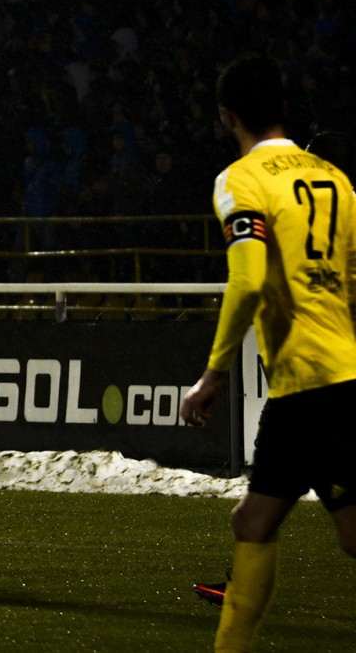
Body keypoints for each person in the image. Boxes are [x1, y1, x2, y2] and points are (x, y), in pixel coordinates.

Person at [180, 55, 356, 652]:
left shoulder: (240, 180)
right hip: (343, 376)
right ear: (284, 106)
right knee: (328, 531)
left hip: (304, 383)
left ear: (227, 117)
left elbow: (249, 280)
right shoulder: (336, 179)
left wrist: (212, 375)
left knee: (253, 524)